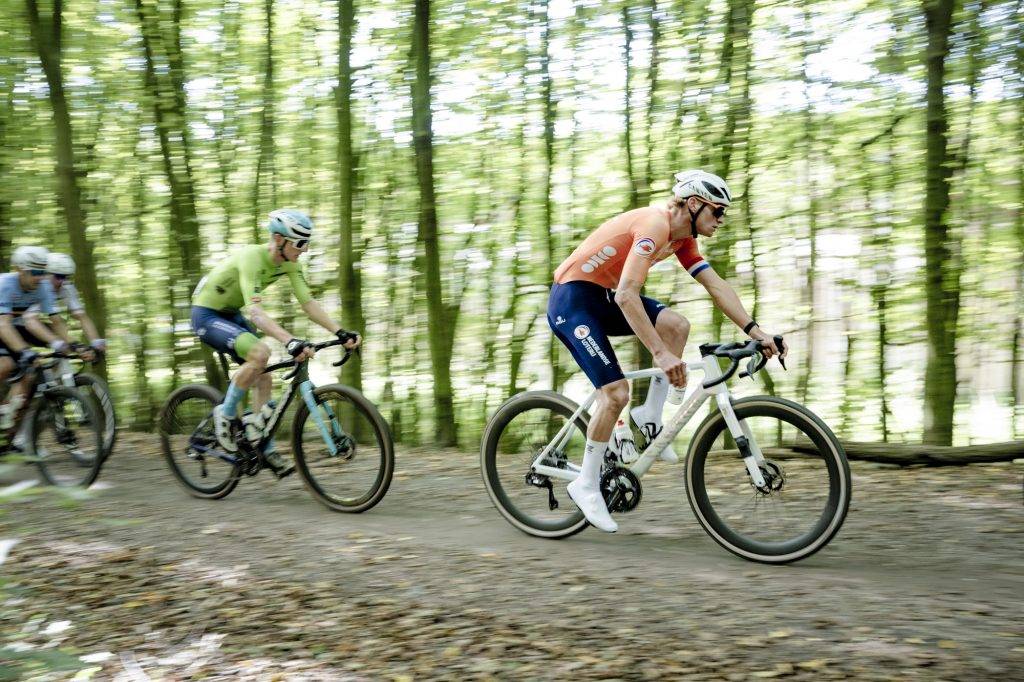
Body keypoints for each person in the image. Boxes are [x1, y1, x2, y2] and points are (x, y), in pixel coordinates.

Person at [547, 170, 787, 532]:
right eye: (717, 211)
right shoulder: (655, 225)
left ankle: (650, 415)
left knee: (677, 326)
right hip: (572, 301)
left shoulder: (682, 240)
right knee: (615, 394)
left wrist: (757, 331)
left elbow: (716, 286)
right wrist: (661, 355)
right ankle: (585, 484)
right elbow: (628, 295)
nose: (721, 220)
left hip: (603, 298)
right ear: (693, 204)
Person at [190, 209, 360, 476]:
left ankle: (263, 446)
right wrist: (290, 340)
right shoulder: (252, 259)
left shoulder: (291, 264)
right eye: (300, 243)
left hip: (231, 313)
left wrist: (340, 331)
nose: (305, 249)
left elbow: (309, 304)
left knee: (264, 376)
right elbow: (256, 314)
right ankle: (225, 414)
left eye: (308, 242)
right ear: (279, 239)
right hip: (207, 313)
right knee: (261, 353)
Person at [0, 246, 73, 435]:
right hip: (3, 325)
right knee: (6, 364)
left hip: (12, 328)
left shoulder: (42, 288)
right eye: (35, 272)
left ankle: (8, 431)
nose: (40, 277)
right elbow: (3, 325)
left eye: (43, 272)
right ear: (19, 270)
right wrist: (25, 350)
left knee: (28, 378)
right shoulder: (5, 284)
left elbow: (56, 320)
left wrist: (69, 344)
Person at [21, 252, 105, 362]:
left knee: (65, 344)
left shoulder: (67, 288)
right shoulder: (38, 287)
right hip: (11, 327)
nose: (62, 281)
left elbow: (81, 316)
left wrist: (96, 342)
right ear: (47, 273)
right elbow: (30, 321)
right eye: (58, 276)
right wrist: (58, 343)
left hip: (30, 326)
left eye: (66, 277)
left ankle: (57, 377)